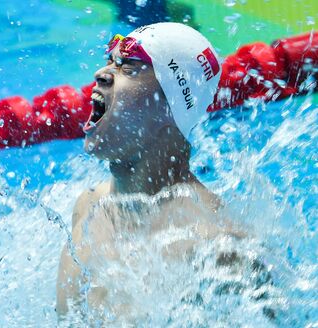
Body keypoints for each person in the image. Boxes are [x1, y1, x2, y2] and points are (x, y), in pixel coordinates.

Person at [55, 22, 270, 324]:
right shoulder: (88, 208)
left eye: (129, 68)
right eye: (110, 60)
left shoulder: (219, 246)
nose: (102, 73)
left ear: (169, 107)